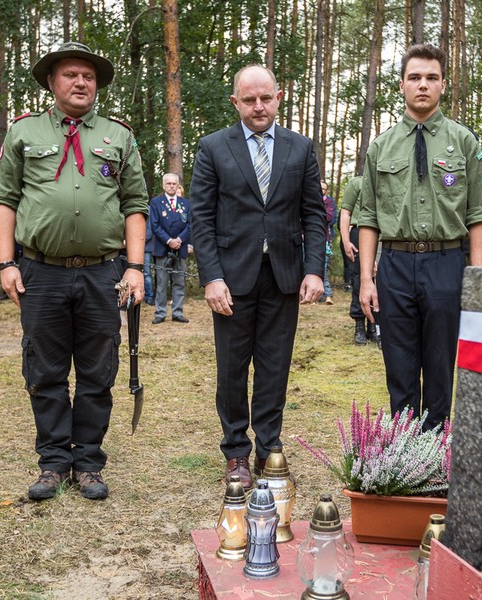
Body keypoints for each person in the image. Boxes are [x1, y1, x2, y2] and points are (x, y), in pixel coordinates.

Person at [0, 41, 148, 501]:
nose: (81, 83)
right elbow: (5, 201)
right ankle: (54, 461)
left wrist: (135, 267)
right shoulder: (24, 132)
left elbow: (135, 205)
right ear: (51, 82)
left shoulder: (118, 135)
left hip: (104, 273)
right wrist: (5, 264)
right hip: (41, 272)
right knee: (45, 369)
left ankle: (89, 463)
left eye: (89, 77)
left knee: (100, 370)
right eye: (71, 75)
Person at [191, 64, 325, 490]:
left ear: (278, 96)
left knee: (274, 367)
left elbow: (313, 214)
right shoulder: (213, 147)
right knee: (232, 368)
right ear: (236, 102)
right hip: (231, 279)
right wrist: (211, 277)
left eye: (265, 97)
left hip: (283, 276)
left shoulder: (300, 148)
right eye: (249, 100)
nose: (258, 106)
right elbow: (202, 218)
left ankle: (269, 448)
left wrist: (314, 269)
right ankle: (236, 452)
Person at [358, 44, 482, 430]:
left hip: (445, 263)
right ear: (401, 85)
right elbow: (367, 216)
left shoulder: (464, 142)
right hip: (395, 265)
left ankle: (435, 458)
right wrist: (367, 279)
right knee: (399, 368)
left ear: (443, 85)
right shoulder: (381, 146)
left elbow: (479, 213)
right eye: (415, 77)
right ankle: (404, 455)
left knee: (439, 367)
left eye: (431, 78)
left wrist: (476, 278)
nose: (423, 85)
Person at [148, 172, 191, 323]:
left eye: (174, 184)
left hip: (181, 246)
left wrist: (179, 240)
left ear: (178, 185)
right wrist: (169, 241)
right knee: (161, 282)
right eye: (169, 183)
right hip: (163, 247)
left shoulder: (185, 203)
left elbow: (190, 225)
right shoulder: (156, 202)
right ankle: (160, 313)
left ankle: (177, 312)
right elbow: (154, 225)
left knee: (179, 281)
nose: (172, 186)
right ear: (163, 185)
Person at [339, 175, 369, 344]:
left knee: (380, 280)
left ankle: (374, 324)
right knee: (359, 278)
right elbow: (345, 213)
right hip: (360, 232)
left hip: (384, 234)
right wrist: (346, 241)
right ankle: (359, 324)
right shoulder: (357, 183)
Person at [319, 180, 336, 305]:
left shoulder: (329, 202)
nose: (322, 190)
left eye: (324, 189)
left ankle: (328, 294)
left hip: (323, 238)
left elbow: (330, 218)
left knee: (323, 267)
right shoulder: (308, 198)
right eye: (320, 188)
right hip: (305, 237)